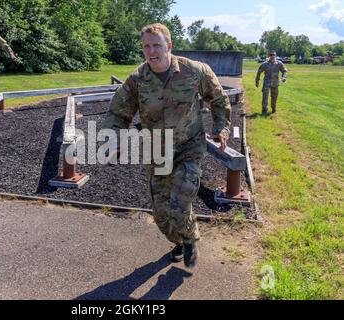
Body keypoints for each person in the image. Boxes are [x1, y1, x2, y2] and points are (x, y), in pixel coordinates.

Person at [102, 23, 231, 269]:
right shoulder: (137, 79)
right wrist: (114, 139)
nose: (151, 51)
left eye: (157, 45)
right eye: (146, 46)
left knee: (180, 204)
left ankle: (191, 238)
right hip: (156, 152)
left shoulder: (194, 71)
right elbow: (118, 113)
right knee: (162, 216)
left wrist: (221, 128)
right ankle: (180, 241)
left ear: (169, 45)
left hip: (188, 148)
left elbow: (219, 99)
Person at [255, 50, 288, 115]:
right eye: (271, 55)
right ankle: (264, 111)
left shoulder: (279, 63)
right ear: (269, 56)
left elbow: (284, 71)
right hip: (266, 83)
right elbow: (259, 72)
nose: (272, 56)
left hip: (275, 83)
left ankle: (273, 108)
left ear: (275, 56)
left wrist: (284, 77)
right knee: (265, 98)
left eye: (273, 55)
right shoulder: (264, 64)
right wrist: (257, 81)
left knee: (274, 97)